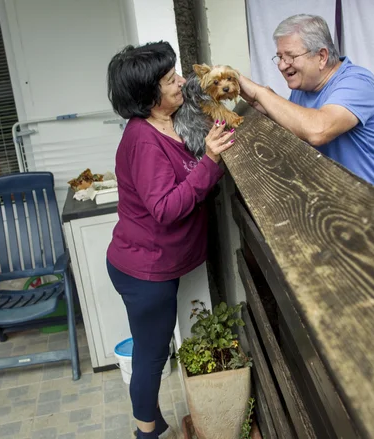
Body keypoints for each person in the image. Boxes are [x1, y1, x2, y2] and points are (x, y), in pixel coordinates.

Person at [105, 41, 235, 439]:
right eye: (169, 80)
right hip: (145, 271)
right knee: (152, 355)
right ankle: (146, 432)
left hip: (149, 264)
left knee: (151, 349)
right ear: (149, 96)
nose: (181, 82)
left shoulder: (171, 121)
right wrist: (211, 162)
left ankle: (152, 421)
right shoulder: (143, 139)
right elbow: (164, 207)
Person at [239, 14, 374, 209]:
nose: (282, 65)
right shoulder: (302, 90)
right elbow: (296, 128)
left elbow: (318, 130)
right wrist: (260, 103)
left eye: (290, 57)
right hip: (343, 213)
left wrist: (261, 93)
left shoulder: (357, 83)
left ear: (321, 56)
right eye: (279, 57)